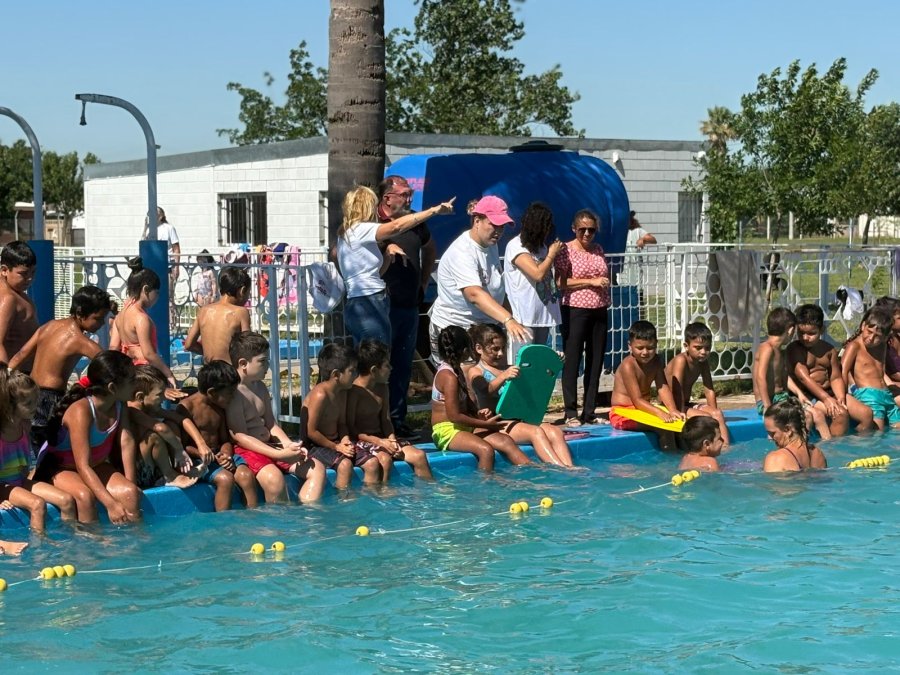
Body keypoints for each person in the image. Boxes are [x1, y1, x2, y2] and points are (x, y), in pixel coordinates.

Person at [337, 185, 454, 347]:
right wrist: (434, 210)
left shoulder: (346, 233)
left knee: (368, 357)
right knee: (378, 357)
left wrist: (386, 256)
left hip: (360, 302)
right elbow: (395, 226)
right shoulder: (361, 229)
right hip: (369, 302)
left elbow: (374, 272)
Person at [34, 350, 143, 524]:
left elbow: (126, 441)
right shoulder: (81, 411)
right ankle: (92, 547)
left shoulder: (119, 404)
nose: (136, 384)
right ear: (112, 388)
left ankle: (137, 546)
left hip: (96, 465)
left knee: (130, 493)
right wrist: (110, 504)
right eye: (132, 380)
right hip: (60, 468)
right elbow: (82, 465)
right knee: (85, 497)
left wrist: (131, 483)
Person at [10, 285, 116, 455]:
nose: (102, 323)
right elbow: (111, 365)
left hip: (29, 391)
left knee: (31, 441)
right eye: (98, 318)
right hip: (50, 398)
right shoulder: (80, 340)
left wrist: (6, 376)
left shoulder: (49, 326)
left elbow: (20, 355)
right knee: (49, 448)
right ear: (81, 314)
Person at [225, 331, 325, 503]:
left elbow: (271, 424)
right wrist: (278, 455)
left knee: (317, 469)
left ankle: (308, 518)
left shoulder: (260, 387)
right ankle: (278, 528)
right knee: (275, 480)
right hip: (247, 451)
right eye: (262, 362)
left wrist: (289, 445)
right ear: (243, 363)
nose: (267, 366)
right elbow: (240, 437)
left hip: (270, 445)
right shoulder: (234, 394)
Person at [429, 196, 531, 361]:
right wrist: (508, 319)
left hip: (482, 328)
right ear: (477, 221)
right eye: (494, 225)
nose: (498, 231)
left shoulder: (491, 244)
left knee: (490, 380)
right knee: (462, 383)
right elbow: (474, 294)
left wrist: (514, 317)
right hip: (455, 331)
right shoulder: (463, 252)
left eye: (502, 226)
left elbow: (495, 288)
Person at [376, 176, 438, 439]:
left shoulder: (415, 222)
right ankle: (378, 421)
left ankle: (398, 419)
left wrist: (423, 283)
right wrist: (384, 246)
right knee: (379, 365)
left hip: (409, 303)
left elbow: (430, 249)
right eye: (404, 194)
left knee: (402, 365)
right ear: (388, 197)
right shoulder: (373, 223)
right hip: (382, 304)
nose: (410, 198)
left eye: (411, 193)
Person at [466, 323, 573, 467]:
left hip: (520, 420)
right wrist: (504, 376)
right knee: (536, 432)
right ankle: (558, 468)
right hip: (497, 424)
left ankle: (571, 469)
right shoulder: (476, 371)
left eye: (503, 348)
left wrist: (554, 362)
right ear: (479, 348)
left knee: (555, 432)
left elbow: (537, 383)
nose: (501, 353)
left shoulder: (509, 368)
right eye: (495, 349)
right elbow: (484, 390)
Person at [431, 326, 530, 471]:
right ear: (466, 351)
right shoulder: (448, 376)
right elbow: (454, 416)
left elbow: (462, 406)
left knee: (505, 441)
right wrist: (486, 425)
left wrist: (478, 414)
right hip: (446, 431)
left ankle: (531, 471)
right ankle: (486, 490)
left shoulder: (456, 371)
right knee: (485, 450)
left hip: (463, 427)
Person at [553, 209, 611, 426]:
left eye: (591, 230)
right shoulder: (566, 250)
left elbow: (603, 274)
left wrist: (603, 282)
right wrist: (592, 282)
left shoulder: (598, 249)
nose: (587, 234)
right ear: (574, 229)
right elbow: (561, 282)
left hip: (600, 308)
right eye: (583, 229)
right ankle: (570, 411)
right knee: (573, 358)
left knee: (595, 360)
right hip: (575, 308)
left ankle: (590, 411)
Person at [0, 368, 77, 531]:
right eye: (28, 403)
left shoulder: (25, 425)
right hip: (2, 487)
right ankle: (40, 550)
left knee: (67, 500)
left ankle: (70, 544)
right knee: (37, 504)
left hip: (20, 482)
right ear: (9, 405)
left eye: (36, 400)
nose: (35, 407)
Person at [177, 360, 260, 511]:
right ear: (212, 392)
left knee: (246, 476)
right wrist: (208, 455)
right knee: (225, 479)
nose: (233, 397)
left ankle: (253, 518)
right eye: (230, 393)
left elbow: (225, 440)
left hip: (220, 455)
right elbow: (182, 447)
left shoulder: (219, 406)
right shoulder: (186, 408)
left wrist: (226, 455)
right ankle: (224, 524)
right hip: (197, 460)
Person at [347, 339, 434, 481]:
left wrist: (392, 439)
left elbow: (386, 420)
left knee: (419, 456)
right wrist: (380, 442)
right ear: (374, 370)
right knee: (385, 459)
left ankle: (428, 495)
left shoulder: (382, 388)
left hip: (383, 438)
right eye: (387, 365)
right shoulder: (354, 392)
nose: (391, 368)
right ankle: (383, 495)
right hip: (361, 441)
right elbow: (351, 429)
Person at [302, 342, 383, 489]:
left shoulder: (343, 392)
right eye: (352, 371)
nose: (355, 375)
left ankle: (372, 502)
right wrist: (336, 446)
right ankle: (344, 502)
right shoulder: (320, 395)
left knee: (372, 463)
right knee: (345, 465)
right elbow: (311, 432)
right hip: (315, 447)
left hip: (336, 443)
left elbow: (342, 424)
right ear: (336, 375)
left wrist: (345, 441)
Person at [787, 304, 872, 436]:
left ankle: (857, 446)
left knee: (867, 414)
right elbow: (804, 377)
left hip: (829, 393)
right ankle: (834, 450)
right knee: (840, 414)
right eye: (801, 333)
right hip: (808, 396)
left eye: (811, 333)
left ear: (822, 330)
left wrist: (840, 397)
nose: (805, 337)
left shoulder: (829, 350)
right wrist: (826, 399)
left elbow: (835, 377)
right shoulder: (795, 349)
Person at [609, 321, 683, 451]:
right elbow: (637, 400)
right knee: (664, 428)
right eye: (640, 348)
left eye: (650, 348)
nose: (645, 352)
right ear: (630, 346)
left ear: (656, 345)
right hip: (622, 413)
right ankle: (669, 463)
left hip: (642, 410)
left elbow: (663, 387)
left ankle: (684, 456)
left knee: (680, 426)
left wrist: (672, 410)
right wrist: (659, 413)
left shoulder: (656, 361)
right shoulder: (628, 366)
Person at [503, 202, 563, 361]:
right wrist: (551, 254)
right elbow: (537, 274)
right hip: (524, 317)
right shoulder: (516, 246)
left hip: (542, 313)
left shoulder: (542, 247)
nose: (548, 231)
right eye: (545, 227)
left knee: (538, 360)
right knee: (524, 361)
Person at [124, 365, 199, 490]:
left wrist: (200, 443)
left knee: (172, 424)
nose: (164, 398)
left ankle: (177, 469)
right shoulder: (132, 411)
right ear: (140, 397)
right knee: (153, 437)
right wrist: (179, 450)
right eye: (160, 394)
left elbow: (179, 418)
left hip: (146, 467)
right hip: (139, 475)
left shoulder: (148, 407)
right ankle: (169, 475)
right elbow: (161, 428)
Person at [110, 257, 178, 390]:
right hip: (144, 373)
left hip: (129, 372)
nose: (157, 297)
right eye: (156, 293)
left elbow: (113, 347)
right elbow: (149, 354)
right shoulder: (141, 319)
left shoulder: (121, 315)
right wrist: (169, 374)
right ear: (146, 290)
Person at [665, 322, 730, 445]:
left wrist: (713, 411)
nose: (703, 352)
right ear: (686, 346)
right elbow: (676, 389)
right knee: (706, 418)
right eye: (698, 347)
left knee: (717, 414)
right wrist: (679, 412)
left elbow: (709, 389)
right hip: (672, 405)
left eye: (707, 348)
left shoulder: (702, 362)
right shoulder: (681, 360)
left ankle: (725, 446)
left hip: (686, 403)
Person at [842, 307, 900, 430]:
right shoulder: (854, 346)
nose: (871, 338)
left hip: (886, 394)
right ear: (863, 326)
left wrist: (892, 388)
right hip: (869, 396)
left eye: (877, 336)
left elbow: (880, 371)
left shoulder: (882, 346)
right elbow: (843, 371)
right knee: (874, 435)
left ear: (885, 337)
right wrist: (844, 397)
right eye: (869, 331)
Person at [184, 266, 251, 363]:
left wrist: (211, 352)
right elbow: (247, 347)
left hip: (210, 370)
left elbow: (188, 344)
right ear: (242, 291)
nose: (247, 298)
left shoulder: (204, 310)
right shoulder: (240, 312)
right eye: (248, 294)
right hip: (229, 371)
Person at [0, 241, 39, 370]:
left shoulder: (17, 294)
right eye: (23, 274)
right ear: (5, 270)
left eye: (33, 273)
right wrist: (5, 379)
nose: (29, 279)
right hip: (15, 374)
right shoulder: (8, 299)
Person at [752, 307, 797, 416]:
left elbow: (784, 377)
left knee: (806, 412)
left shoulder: (780, 351)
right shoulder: (767, 348)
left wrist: (798, 394)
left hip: (780, 398)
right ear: (790, 330)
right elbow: (760, 377)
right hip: (765, 401)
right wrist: (767, 406)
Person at [763, 397, 827, 472]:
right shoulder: (818, 454)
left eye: (772, 433)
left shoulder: (776, 459)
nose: (770, 438)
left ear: (788, 430)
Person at [619, 210, 657, 288]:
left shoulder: (637, 231)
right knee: (623, 290)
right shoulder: (618, 232)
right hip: (622, 268)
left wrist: (643, 239)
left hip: (635, 268)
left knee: (638, 291)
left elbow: (653, 239)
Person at [142, 207, 181, 282]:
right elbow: (143, 244)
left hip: (168, 265)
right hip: (151, 265)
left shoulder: (169, 228)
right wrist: (145, 228)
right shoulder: (148, 230)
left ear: (161, 215)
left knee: (169, 290)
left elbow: (176, 248)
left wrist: (176, 266)